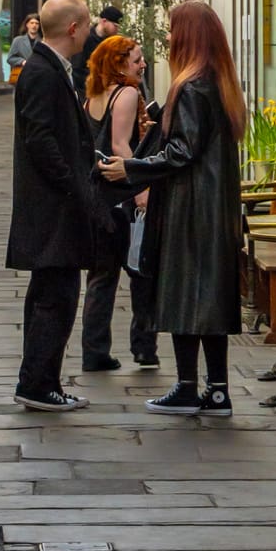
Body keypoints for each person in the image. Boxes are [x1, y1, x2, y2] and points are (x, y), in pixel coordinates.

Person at [99, 0, 246, 418]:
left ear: (188, 36)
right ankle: (216, 390)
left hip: (191, 209)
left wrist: (132, 168)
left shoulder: (191, 86)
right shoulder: (218, 83)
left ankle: (186, 387)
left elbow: (181, 153)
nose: (166, 37)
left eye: (172, 29)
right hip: (215, 210)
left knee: (183, 294)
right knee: (211, 300)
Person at [7, 0, 103, 411]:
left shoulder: (51, 68)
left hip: (53, 206)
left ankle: (43, 380)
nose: (90, 30)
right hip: (52, 209)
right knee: (55, 298)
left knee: (53, 294)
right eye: (87, 23)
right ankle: (38, 384)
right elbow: (41, 139)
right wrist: (73, 186)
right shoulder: (43, 72)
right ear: (73, 27)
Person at [79, 34, 159, 373]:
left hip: (97, 200)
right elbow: (120, 146)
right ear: (118, 63)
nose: (143, 64)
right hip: (122, 196)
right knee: (141, 272)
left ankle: (94, 351)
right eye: (137, 59)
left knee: (101, 277)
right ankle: (144, 347)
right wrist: (141, 190)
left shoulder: (94, 96)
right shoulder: (127, 93)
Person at [73, 4, 125, 100]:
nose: (117, 30)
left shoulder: (111, 42)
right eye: (115, 26)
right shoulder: (86, 38)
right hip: (87, 93)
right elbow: (77, 69)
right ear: (104, 21)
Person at [7, 13, 41, 83]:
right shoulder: (18, 41)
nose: (34, 25)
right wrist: (22, 61)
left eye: (36, 23)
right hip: (22, 77)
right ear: (27, 25)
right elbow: (10, 58)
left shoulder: (43, 42)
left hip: (39, 78)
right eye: (32, 23)